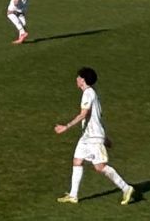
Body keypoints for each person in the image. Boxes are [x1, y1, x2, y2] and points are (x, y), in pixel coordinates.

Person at [54, 67, 136, 206]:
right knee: (77, 161)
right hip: (87, 136)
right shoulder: (91, 94)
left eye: (78, 77)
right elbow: (97, 118)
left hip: (93, 137)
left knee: (100, 167)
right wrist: (105, 137)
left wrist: (66, 127)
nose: (76, 79)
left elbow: (83, 114)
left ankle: (126, 188)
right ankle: (73, 195)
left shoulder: (88, 93)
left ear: (83, 80)